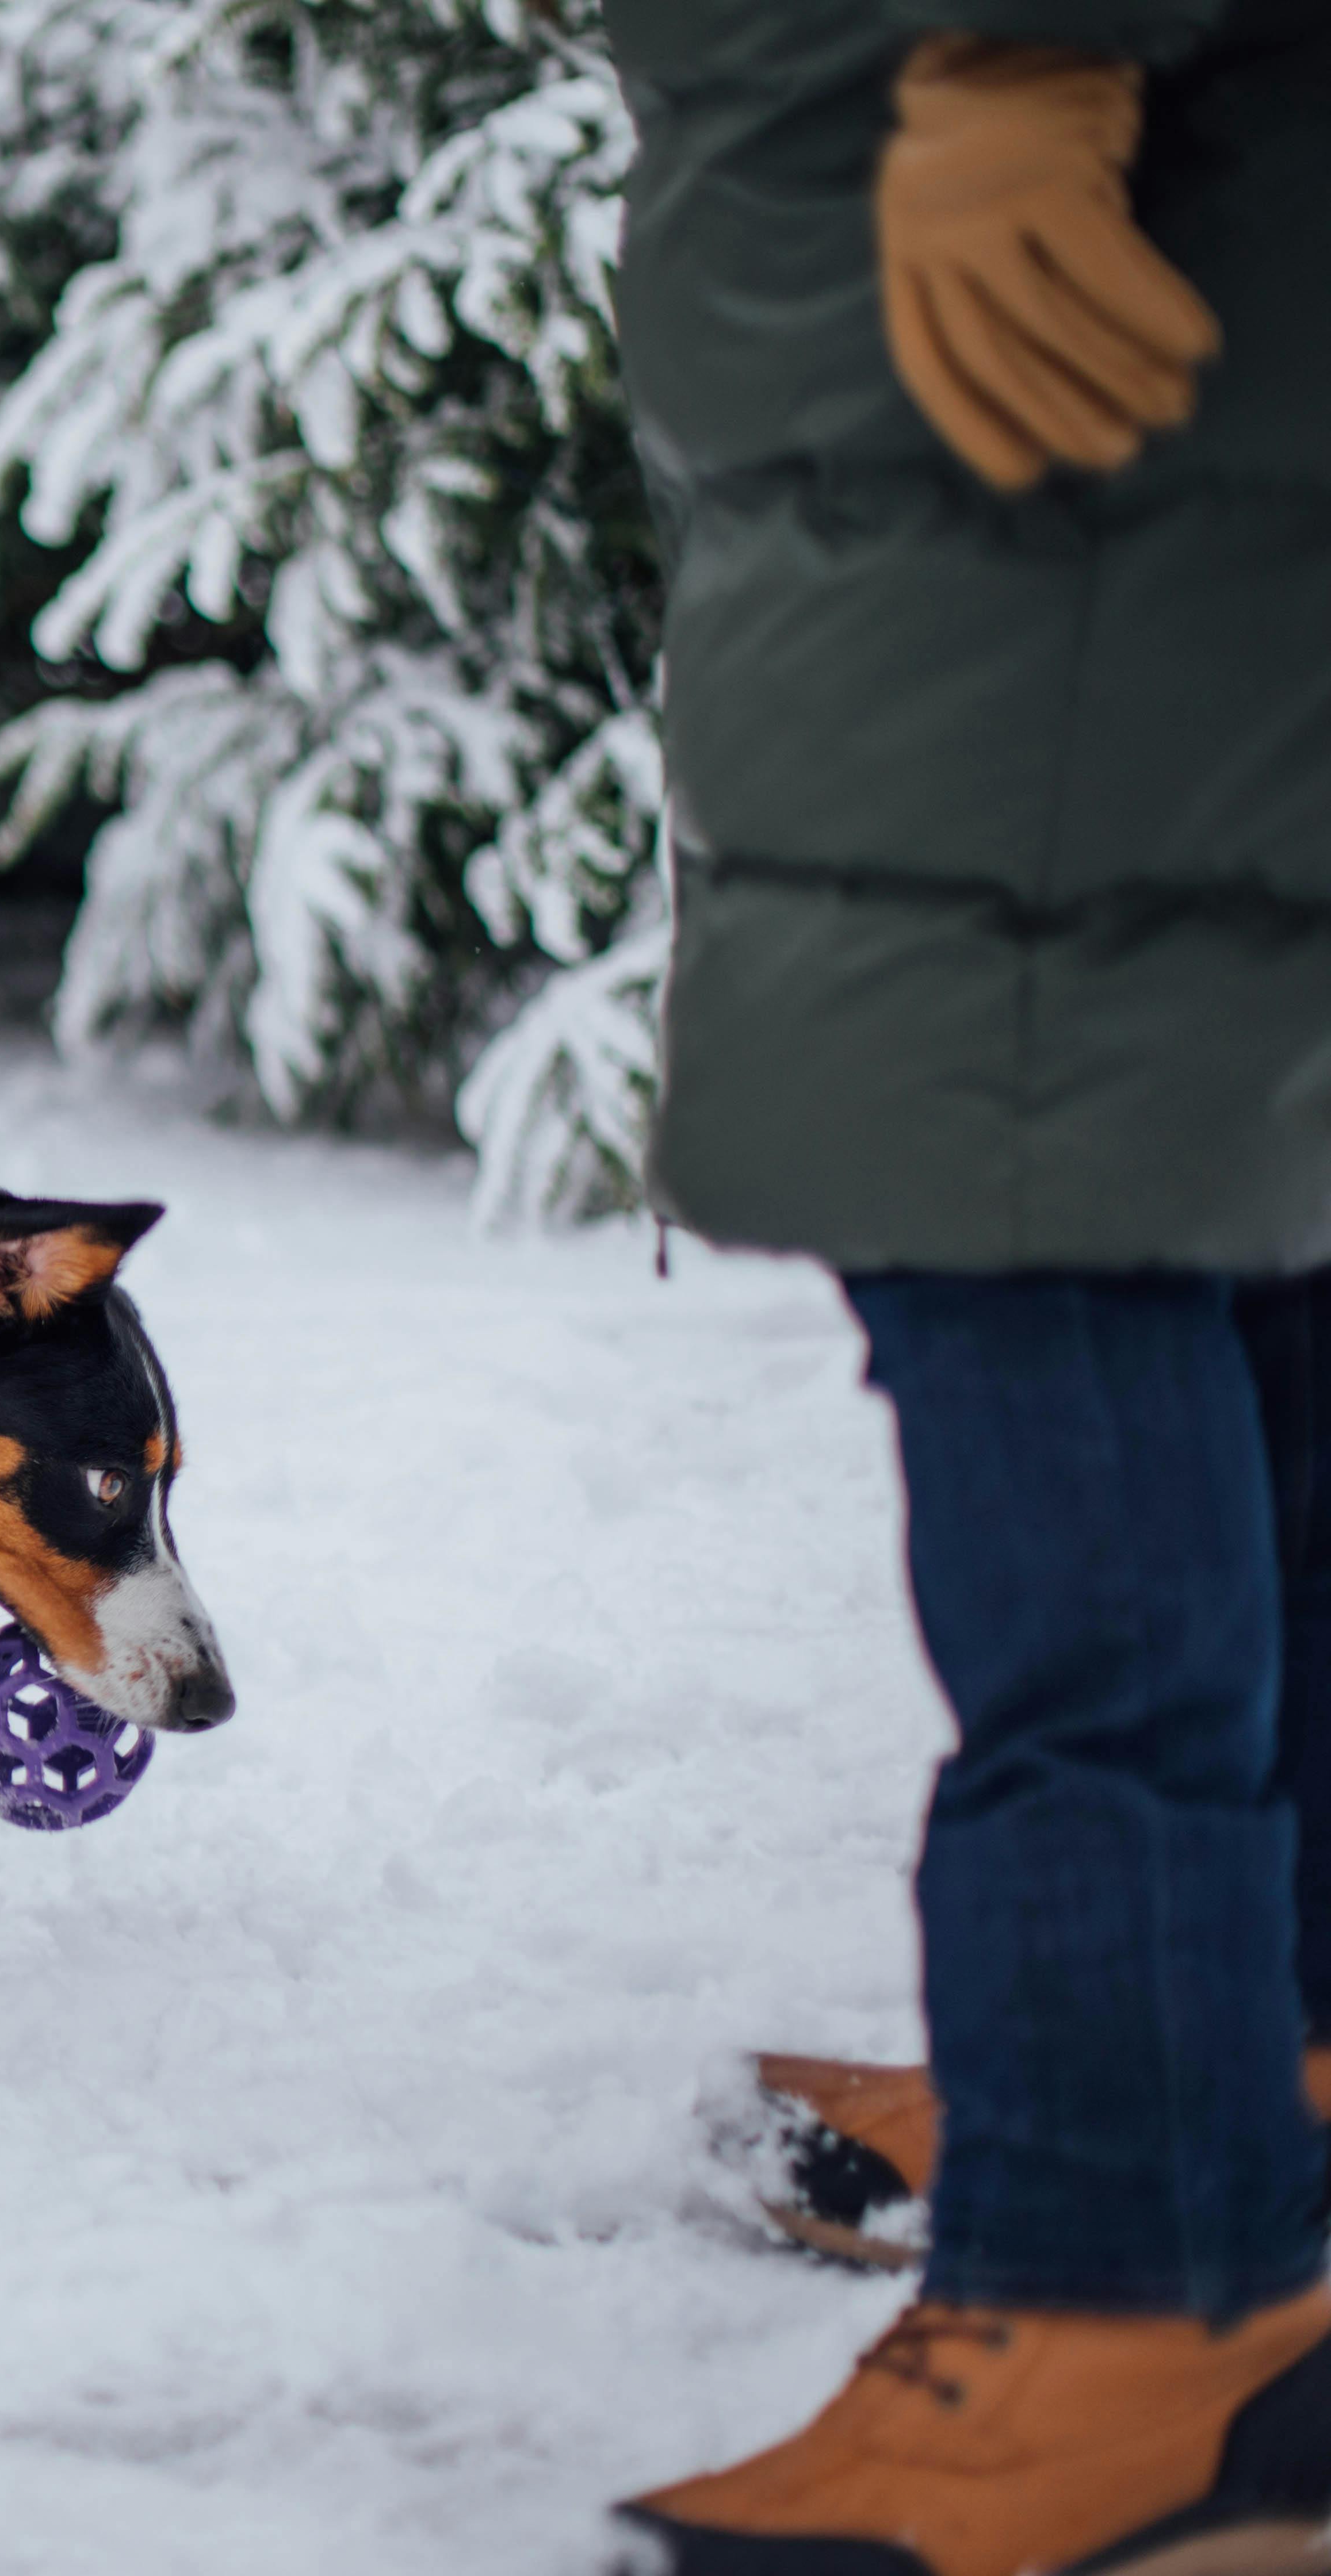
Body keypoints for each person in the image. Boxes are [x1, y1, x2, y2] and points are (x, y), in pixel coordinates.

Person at [600, 7, 1331, 2572]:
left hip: (1025, 411)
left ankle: (1145, 2280)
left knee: (1054, 1237)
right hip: (1063, 365)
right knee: (1227, 1231)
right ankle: (1251, 2085)